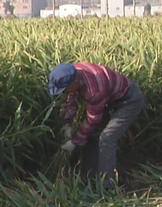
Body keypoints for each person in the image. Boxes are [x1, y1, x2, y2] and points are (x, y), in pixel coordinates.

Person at [48, 62, 144, 190]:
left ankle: (106, 187)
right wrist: (68, 123)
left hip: (128, 101)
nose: (63, 92)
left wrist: (74, 142)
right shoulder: (72, 74)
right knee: (91, 137)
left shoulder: (94, 90)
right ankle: (91, 178)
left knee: (107, 138)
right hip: (110, 100)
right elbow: (72, 97)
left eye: (64, 89)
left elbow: (93, 120)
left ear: (74, 82)